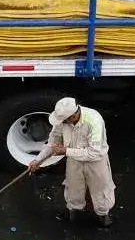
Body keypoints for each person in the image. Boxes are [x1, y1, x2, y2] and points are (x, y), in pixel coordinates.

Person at [28, 97, 115, 228]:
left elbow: (94, 153)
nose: (61, 123)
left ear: (73, 117)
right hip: (74, 159)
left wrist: (66, 151)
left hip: (96, 161)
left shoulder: (94, 120)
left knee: (100, 190)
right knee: (73, 188)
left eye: (63, 121)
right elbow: (52, 144)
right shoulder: (62, 121)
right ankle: (72, 212)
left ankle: (103, 215)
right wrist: (37, 160)